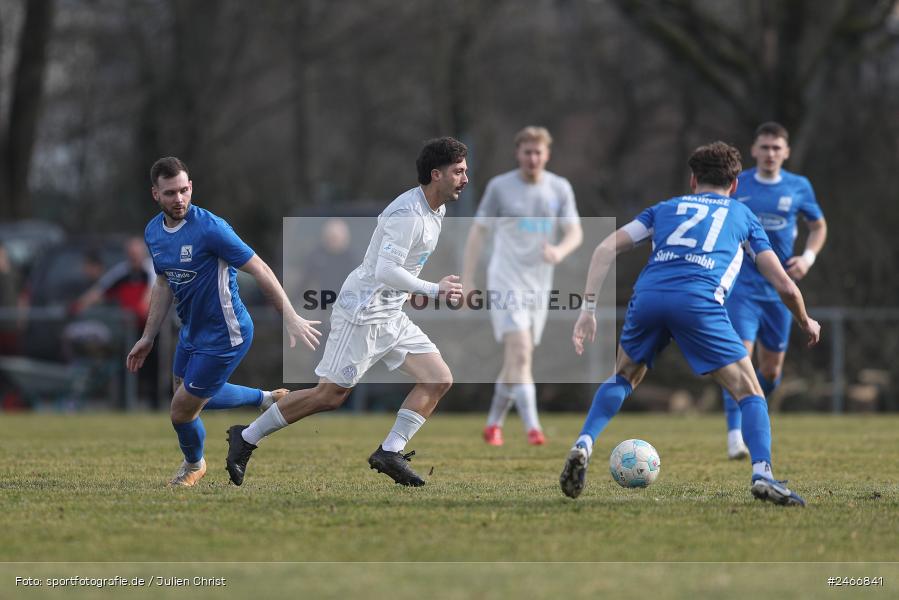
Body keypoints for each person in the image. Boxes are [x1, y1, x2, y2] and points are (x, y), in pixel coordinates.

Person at [560, 142, 820, 507]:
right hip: (698, 302)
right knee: (750, 393)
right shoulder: (743, 215)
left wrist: (587, 309)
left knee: (623, 377)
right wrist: (805, 319)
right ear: (734, 185)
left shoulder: (663, 209)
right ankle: (762, 473)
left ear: (693, 179)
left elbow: (604, 250)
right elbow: (784, 284)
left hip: (648, 297)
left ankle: (583, 443)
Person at [225, 137, 467, 487]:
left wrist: (413, 291)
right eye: (458, 172)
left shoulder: (436, 210)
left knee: (438, 378)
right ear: (436, 175)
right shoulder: (408, 214)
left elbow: (398, 272)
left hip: (390, 314)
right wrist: (433, 289)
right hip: (362, 313)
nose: (465, 178)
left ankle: (390, 452)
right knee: (329, 395)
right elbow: (385, 270)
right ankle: (246, 437)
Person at [126, 157, 322, 487]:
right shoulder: (153, 232)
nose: (179, 199)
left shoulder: (211, 228)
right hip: (191, 331)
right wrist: (148, 336)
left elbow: (261, 268)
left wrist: (290, 315)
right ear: (155, 195)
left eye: (184, 190)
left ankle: (193, 465)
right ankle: (266, 399)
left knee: (180, 411)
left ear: (192, 188)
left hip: (225, 332)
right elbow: (162, 283)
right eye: (171, 192)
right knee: (184, 396)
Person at [462, 126, 582, 446]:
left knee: (515, 360)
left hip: (538, 284)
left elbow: (575, 232)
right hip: (505, 279)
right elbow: (478, 232)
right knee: (522, 352)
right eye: (527, 152)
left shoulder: (559, 188)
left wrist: (559, 251)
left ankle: (493, 425)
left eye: (538, 152)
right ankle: (533, 428)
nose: (532, 158)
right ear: (518, 153)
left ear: (547, 154)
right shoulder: (500, 187)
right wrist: (468, 278)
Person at [720, 122, 827, 459]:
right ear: (754, 150)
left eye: (776, 148)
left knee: (770, 372)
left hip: (779, 292)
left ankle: (754, 409)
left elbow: (818, 226)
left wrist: (807, 258)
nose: (770, 154)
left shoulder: (799, 186)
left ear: (786, 152)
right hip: (743, 289)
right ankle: (735, 437)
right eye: (764, 147)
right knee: (739, 359)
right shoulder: (740, 184)